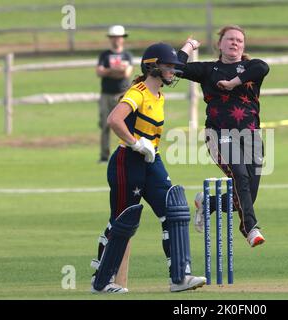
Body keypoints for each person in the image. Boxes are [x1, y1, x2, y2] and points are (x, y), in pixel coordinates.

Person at [90, 42, 206, 293]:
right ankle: (101, 281)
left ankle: (180, 277)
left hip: (152, 159)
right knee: (123, 220)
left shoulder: (159, 94)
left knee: (174, 209)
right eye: (168, 67)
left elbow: (178, 62)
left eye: (173, 67)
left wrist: (187, 46)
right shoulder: (138, 92)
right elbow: (114, 119)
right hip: (127, 161)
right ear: (153, 66)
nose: (173, 71)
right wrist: (135, 143)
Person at [177, 26, 270, 248]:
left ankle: (207, 203)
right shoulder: (209, 70)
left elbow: (263, 67)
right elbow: (176, 69)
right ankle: (250, 229)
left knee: (245, 196)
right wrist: (188, 46)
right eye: (229, 39)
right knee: (239, 175)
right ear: (220, 44)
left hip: (252, 137)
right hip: (219, 134)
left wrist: (232, 83)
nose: (234, 43)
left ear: (243, 46)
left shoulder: (250, 67)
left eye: (239, 40)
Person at [96, 25, 134, 163]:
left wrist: (109, 70)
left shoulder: (127, 55)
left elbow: (126, 73)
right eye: (113, 37)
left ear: (122, 38)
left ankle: (127, 153)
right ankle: (104, 156)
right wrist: (115, 69)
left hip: (124, 95)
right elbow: (99, 72)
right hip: (106, 94)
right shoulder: (104, 55)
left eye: (118, 37)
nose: (116, 40)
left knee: (126, 124)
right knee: (105, 125)